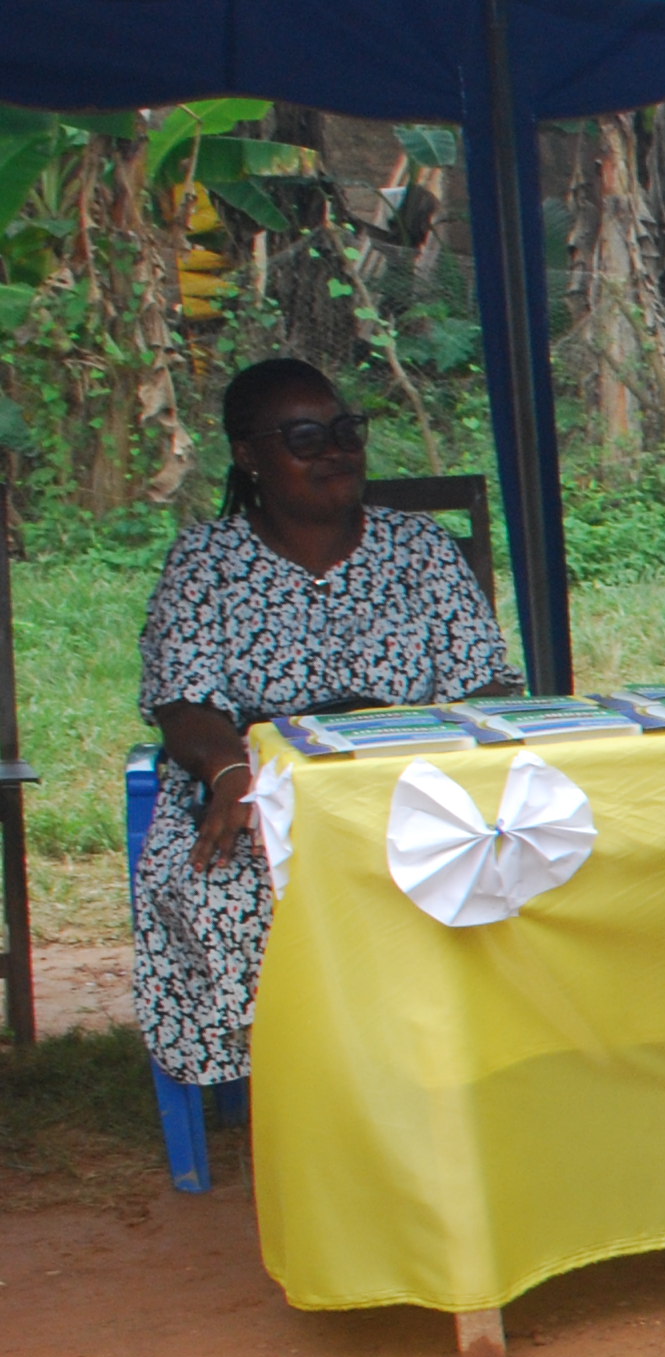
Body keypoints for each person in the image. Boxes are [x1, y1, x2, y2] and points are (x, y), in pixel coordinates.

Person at [134, 359, 513, 1088]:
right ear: (249, 455)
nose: (335, 450)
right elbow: (182, 703)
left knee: (514, 852)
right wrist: (230, 772)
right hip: (263, 793)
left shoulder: (420, 549)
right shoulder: (206, 561)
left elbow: (485, 684)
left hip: (411, 789)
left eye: (345, 431)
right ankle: (298, 1086)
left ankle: (453, 1068)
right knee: (225, 887)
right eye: (305, 438)